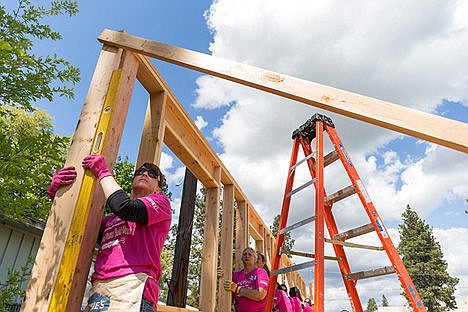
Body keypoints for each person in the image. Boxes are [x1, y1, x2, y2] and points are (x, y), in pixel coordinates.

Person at [47, 154, 172, 311]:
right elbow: (76, 231)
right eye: (140, 171)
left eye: (152, 174)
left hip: (133, 289)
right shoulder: (111, 221)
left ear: (157, 188)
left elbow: (126, 208)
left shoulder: (161, 203)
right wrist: (57, 195)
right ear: (133, 183)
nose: (145, 174)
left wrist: (103, 172)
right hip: (100, 293)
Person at [223, 247, 269, 312]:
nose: (247, 256)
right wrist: (221, 276)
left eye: (250, 254)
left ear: (255, 259)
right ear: (242, 259)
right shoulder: (236, 275)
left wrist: (239, 290)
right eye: (244, 254)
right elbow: (228, 297)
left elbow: (260, 295)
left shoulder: (261, 272)